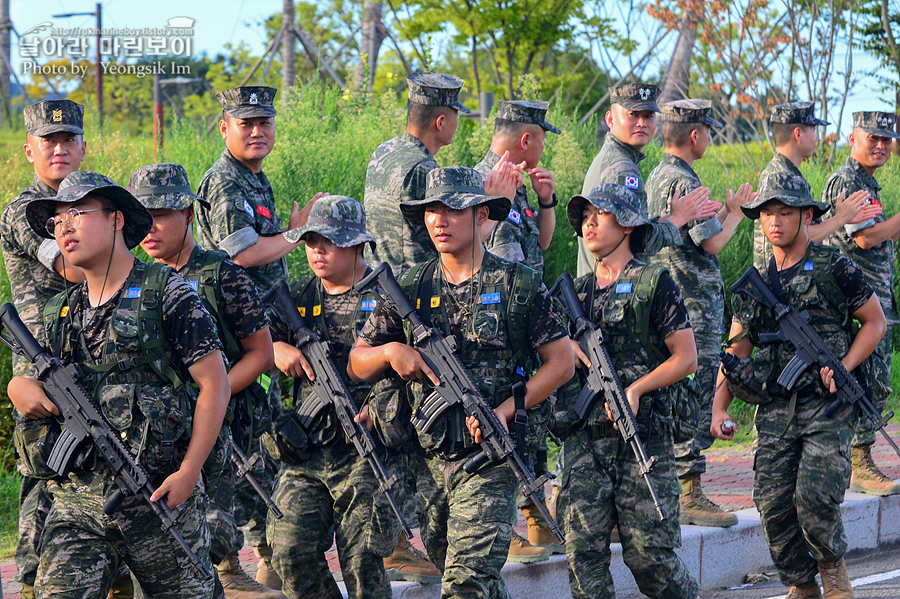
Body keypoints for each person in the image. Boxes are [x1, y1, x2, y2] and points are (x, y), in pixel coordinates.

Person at [348, 166, 574, 599]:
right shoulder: (409, 286)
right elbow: (358, 362)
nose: (439, 220)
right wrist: (392, 353)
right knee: (469, 575)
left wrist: (507, 410)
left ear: (481, 214)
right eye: (432, 210)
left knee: (465, 584)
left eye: (451, 209)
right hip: (427, 461)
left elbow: (560, 363)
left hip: (489, 458)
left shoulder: (518, 284)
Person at [10, 171, 230, 598]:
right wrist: (20, 391)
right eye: (56, 220)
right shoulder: (60, 311)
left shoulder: (167, 293)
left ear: (116, 220)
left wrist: (189, 472)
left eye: (76, 212)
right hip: (79, 507)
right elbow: (23, 380)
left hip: (159, 502)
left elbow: (214, 384)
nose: (64, 226)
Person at [712, 172, 886, 599]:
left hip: (827, 405)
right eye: (767, 214)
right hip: (775, 408)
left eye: (785, 212)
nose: (774, 221)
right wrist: (719, 408)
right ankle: (802, 585)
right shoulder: (756, 282)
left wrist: (843, 366)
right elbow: (737, 349)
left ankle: (834, 575)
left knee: (814, 497)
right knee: (771, 505)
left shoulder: (834, 266)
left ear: (807, 215)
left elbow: (875, 322)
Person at [131, 163, 282, 599]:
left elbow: (261, 353)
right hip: (158, 426)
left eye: (162, 215)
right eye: (143, 217)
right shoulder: (137, 282)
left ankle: (231, 568)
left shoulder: (223, 274)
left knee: (218, 509)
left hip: (223, 419)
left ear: (191, 216)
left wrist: (213, 395)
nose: (151, 228)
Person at [196, 85, 324, 587]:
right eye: (244, 123)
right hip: (232, 335)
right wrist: (296, 235)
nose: (256, 131)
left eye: (264, 123)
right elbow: (242, 256)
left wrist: (288, 234)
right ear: (224, 128)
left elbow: (262, 252)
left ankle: (267, 556)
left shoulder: (254, 179)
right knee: (235, 445)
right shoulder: (226, 182)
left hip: (258, 325)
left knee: (259, 440)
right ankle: (229, 568)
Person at [553, 183, 701, 599]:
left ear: (630, 224)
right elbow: (545, 352)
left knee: (651, 559)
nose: (591, 222)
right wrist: (566, 345)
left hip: (642, 437)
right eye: (585, 216)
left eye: (602, 213)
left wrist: (636, 389)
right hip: (585, 442)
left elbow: (685, 358)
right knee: (584, 559)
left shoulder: (655, 282)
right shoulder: (575, 292)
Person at [265, 195, 399, 599]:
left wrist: (381, 408)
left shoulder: (387, 295)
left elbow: (412, 365)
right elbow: (252, 348)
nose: (317, 251)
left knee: (361, 567)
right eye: (309, 242)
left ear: (357, 243)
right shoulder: (296, 296)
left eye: (329, 241)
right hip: (307, 452)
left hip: (363, 450)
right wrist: (277, 351)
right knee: (288, 551)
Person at [646, 98, 754, 528]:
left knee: (676, 392)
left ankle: (674, 486)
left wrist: (726, 212)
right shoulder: (682, 181)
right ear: (696, 135)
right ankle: (688, 490)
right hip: (690, 306)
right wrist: (739, 217)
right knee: (694, 390)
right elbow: (711, 244)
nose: (709, 137)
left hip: (673, 303)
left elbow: (694, 233)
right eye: (708, 130)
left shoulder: (659, 174)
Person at [0, 99, 87, 599]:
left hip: (94, 358)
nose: (58, 148)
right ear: (29, 149)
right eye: (48, 141)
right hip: (41, 366)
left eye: (67, 139)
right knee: (43, 481)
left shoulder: (97, 201)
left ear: (81, 146)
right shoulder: (25, 212)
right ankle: (32, 585)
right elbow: (74, 267)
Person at [472, 99, 562, 561]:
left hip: (529, 322)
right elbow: (493, 260)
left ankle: (535, 516)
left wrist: (545, 201)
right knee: (498, 424)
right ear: (527, 139)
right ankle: (498, 527)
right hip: (497, 323)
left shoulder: (518, 183)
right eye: (542, 136)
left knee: (532, 419)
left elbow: (538, 246)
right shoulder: (484, 183)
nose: (544, 145)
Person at [820, 111, 900, 497]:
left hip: (875, 301)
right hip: (856, 306)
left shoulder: (868, 184)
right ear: (853, 138)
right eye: (874, 138)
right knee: (863, 380)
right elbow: (865, 238)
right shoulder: (847, 180)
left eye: (887, 139)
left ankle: (858, 456)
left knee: (876, 380)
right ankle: (857, 460)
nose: (881, 145)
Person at [576, 83, 719, 277]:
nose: (642, 123)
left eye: (648, 116)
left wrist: (669, 216)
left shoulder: (615, 157)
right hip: (611, 292)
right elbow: (639, 243)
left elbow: (628, 229)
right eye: (633, 115)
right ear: (610, 119)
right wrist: (678, 219)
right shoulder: (621, 168)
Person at [753, 101, 877, 270]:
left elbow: (803, 229)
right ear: (798, 134)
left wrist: (842, 219)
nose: (817, 138)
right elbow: (797, 236)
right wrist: (839, 219)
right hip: (777, 286)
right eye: (814, 130)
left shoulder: (789, 174)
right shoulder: (778, 177)